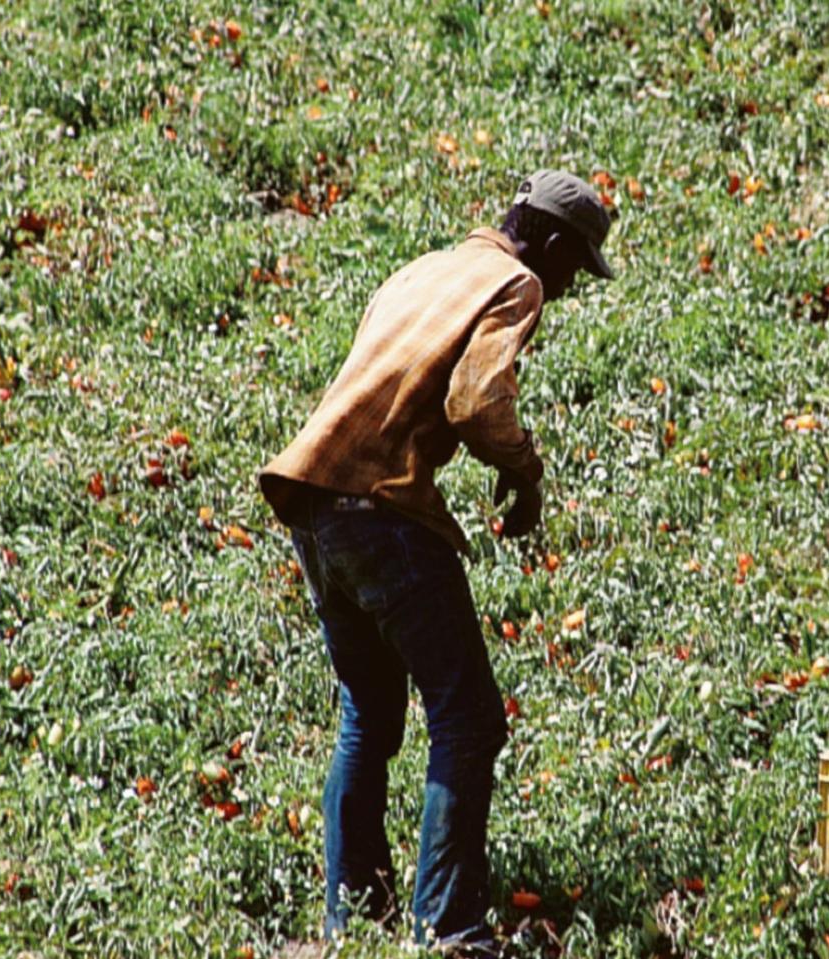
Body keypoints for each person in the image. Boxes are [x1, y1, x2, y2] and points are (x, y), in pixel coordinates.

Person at [258, 170, 615, 955]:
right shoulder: (514, 281)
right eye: (573, 269)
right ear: (551, 246)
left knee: (369, 710)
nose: (565, 289)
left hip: (315, 503)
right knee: (468, 715)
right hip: (381, 513)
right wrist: (526, 471)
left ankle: (355, 918)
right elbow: (477, 401)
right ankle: (450, 928)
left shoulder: (426, 267)